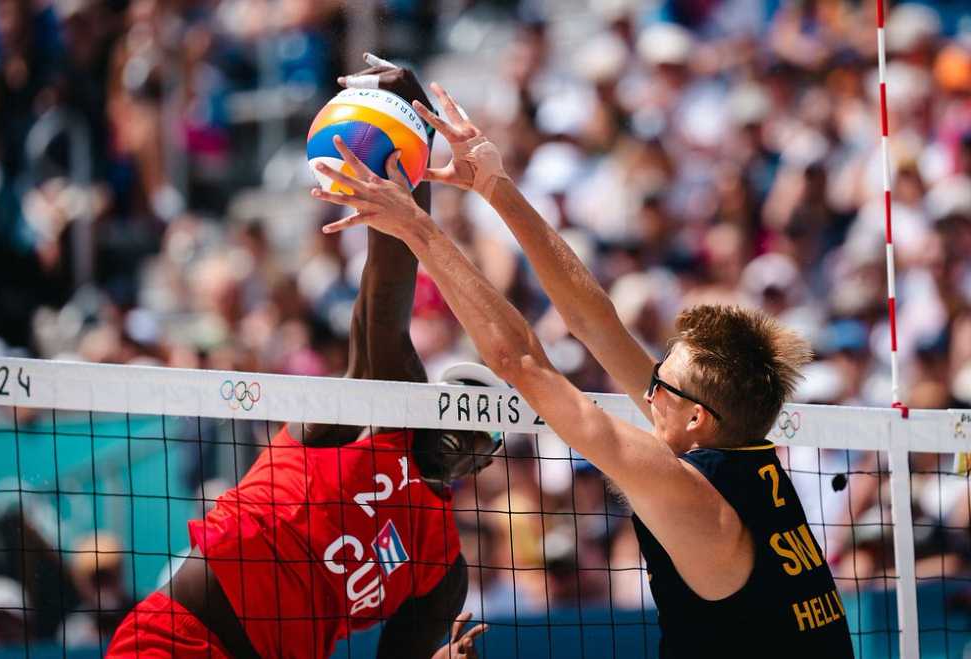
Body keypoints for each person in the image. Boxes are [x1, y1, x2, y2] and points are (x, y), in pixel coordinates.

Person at [311, 81, 854, 657]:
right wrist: (496, 186)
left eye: (661, 382)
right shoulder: (746, 457)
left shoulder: (690, 493)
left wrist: (416, 229)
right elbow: (595, 323)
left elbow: (522, 363)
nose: (649, 387)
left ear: (697, 418)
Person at [107, 61, 491, 659]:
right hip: (182, 634)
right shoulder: (363, 419)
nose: (465, 426)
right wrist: (415, 135)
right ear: (433, 403)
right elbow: (384, 299)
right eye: (461, 403)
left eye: (482, 425)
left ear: (483, 458)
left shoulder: (444, 573)